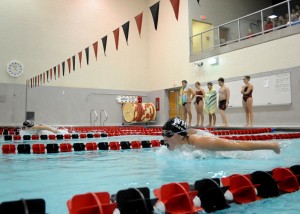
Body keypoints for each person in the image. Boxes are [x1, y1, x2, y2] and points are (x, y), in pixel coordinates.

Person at [162, 117, 280, 154]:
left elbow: (238, 145)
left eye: (168, 134)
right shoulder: (182, 139)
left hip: (231, 153)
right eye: (163, 134)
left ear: (180, 136)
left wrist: (272, 145)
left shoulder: (202, 142)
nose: (164, 139)